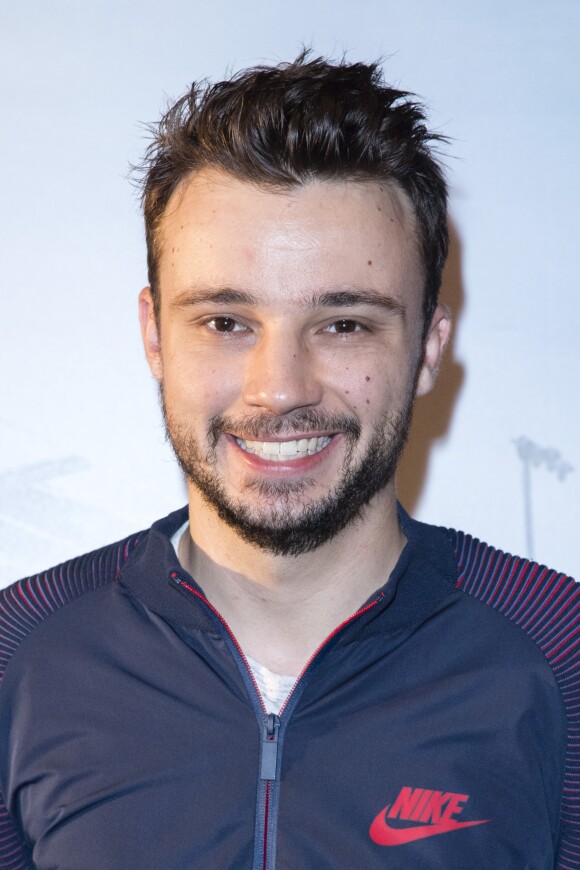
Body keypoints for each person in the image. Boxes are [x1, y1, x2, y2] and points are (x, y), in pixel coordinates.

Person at [0, 54, 577, 870]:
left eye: (343, 324)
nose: (280, 389)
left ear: (427, 348)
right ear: (155, 336)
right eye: (226, 322)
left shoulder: (559, 654)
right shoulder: (21, 652)